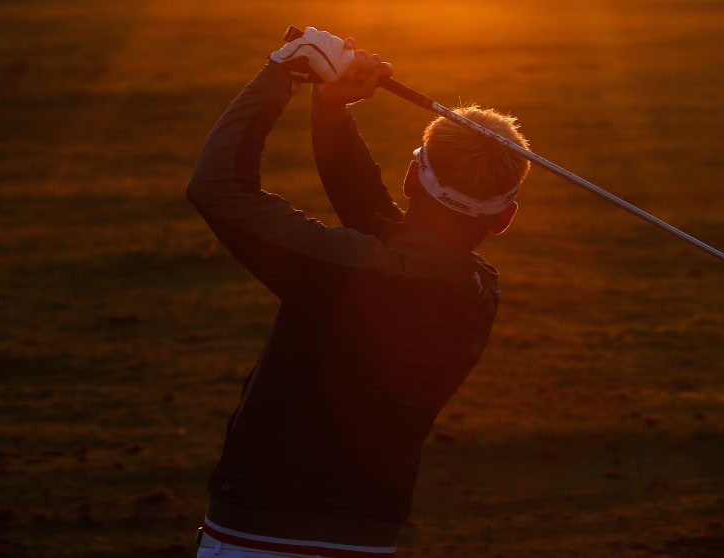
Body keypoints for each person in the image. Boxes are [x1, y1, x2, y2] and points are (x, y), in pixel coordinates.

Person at [186, 27, 530, 558]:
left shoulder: (369, 273)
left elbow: (217, 189)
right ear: (504, 218)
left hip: (262, 541)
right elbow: (383, 225)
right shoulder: (476, 288)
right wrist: (330, 109)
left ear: (412, 177)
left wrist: (284, 71)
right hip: (366, 541)